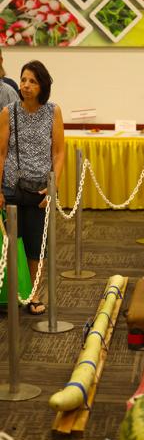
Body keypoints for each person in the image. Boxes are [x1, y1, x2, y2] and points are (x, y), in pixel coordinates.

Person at [0, 60, 65, 315]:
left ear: (43, 86)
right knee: (11, 244)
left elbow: (59, 153)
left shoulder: (53, 111)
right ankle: (12, 291)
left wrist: (52, 187)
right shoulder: (9, 112)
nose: (26, 86)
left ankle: (34, 293)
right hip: (13, 187)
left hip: (40, 189)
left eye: (32, 81)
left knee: (36, 244)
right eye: (23, 80)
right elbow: (1, 153)